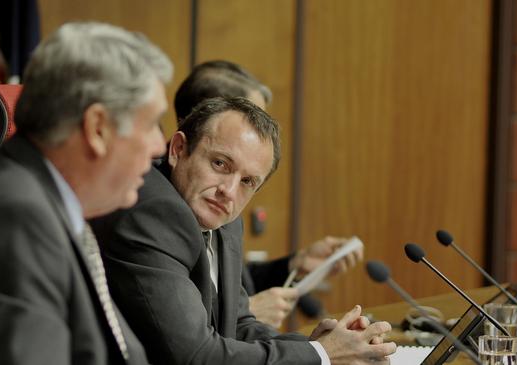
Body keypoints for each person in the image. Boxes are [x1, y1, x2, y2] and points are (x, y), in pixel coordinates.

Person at [0, 21, 172, 365]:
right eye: (151, 124)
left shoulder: (47, 208)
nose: (160, 144)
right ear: (97, 127)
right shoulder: (11, 218)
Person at [90, 97, 395, 364]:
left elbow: (237, 324)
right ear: (178, 149)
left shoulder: (224, 219)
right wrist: (321, 356)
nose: (229, 191)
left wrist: (326, 348)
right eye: (220, 164)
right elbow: (195, 356)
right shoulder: (154, 213)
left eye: (248, 181)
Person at [174, 60, 363, 328]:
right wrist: (245, 311)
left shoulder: (224, 209)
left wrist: (293, 265)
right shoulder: (164, 206)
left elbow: (227, 281)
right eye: (249, 116)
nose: (259, 132)